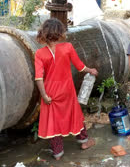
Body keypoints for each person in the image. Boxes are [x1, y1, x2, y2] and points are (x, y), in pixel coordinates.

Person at [34, 18, 98, 160]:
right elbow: (80, 67)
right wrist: (91, 70)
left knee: (53, 122)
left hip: (50, 92)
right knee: (75, 115)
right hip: (67, 91)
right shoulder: (67, 47)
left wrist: (44, 95)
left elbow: (38, 78)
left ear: (44, 33)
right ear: (60, 33)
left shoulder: (40, 54)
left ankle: (58, 153)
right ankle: (84, 142)